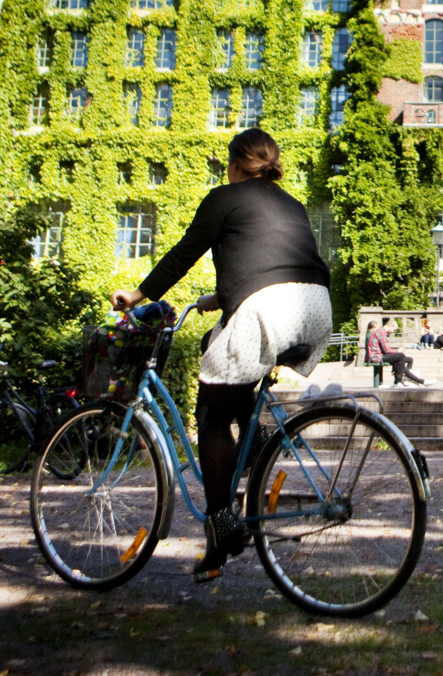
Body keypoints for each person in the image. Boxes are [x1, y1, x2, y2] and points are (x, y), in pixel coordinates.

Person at [108, 128, 332, 583]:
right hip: (315, 305)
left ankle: (223, 521)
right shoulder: (290, 203)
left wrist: (139, 293)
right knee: (221, 357)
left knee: (210, 416)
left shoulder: (224, 197)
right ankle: (253, 460)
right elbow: (268, 260)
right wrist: (219, 297)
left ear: (234, 164)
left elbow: (183, 254)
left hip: (264, 307)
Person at [369, 317, 427, 387]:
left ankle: (421, 381)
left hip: (378, 355)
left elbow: (385, 350)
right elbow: (386, 350)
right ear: (391, 326)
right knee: (401, 356)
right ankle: (398, 381)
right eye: (394, 329)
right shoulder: (381, 332)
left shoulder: (381, 331)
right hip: (376, 357)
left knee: (403, 359)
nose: (393, 332)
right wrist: (398, 350)